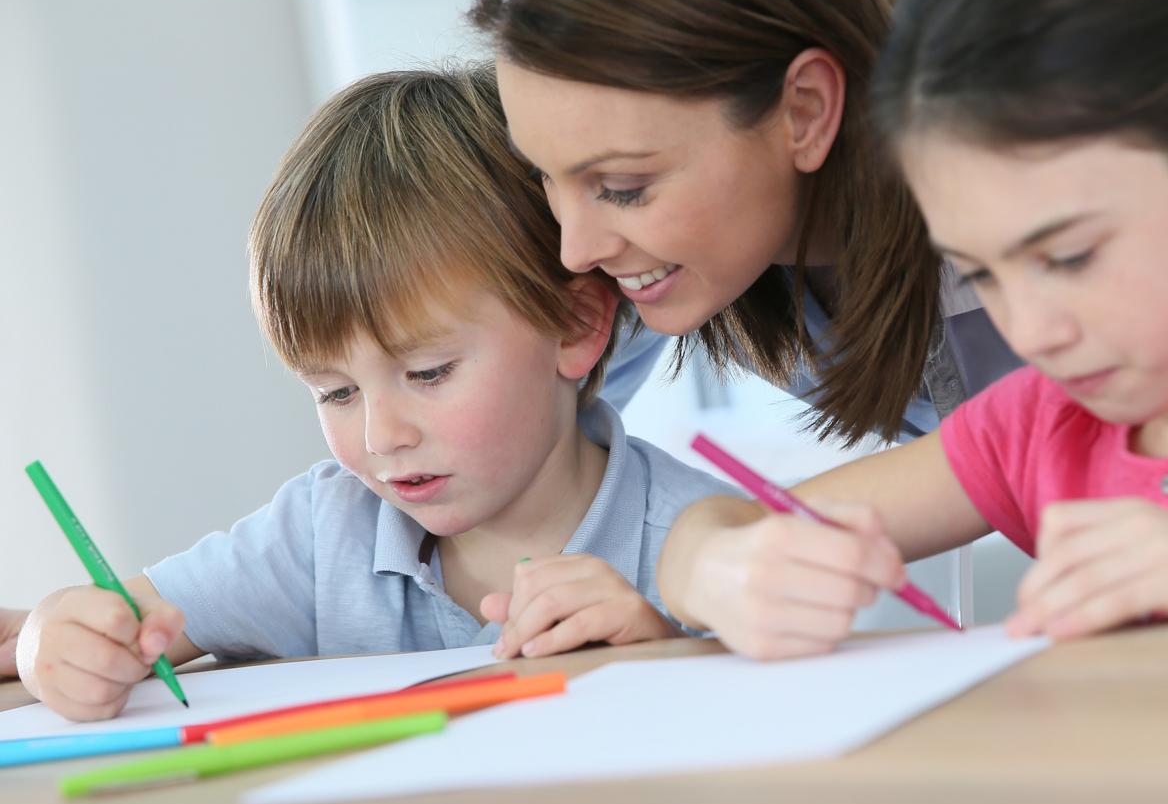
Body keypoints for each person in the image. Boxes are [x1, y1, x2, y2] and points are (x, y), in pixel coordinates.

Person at [16, 66, 733, 720]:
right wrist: (54, 641)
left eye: (428, 374)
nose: (380, 436)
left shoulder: (701, 538)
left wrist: (659, 652)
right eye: (334, 392)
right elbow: (114, 618)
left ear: (575, 325)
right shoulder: (319, 533)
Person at [656, 0, 1168, 659]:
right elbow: (720, 528)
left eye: (1069, 257)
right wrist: (712, 571)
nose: (1032, 333)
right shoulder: (1037, 425)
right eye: (981, 274)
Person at [469, 0, 1021, 446]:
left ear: (804, 110)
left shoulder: (1026, 172)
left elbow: (1035, 446)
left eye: (624, 185)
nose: (578, 250)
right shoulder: (668, 252)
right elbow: (526, 443)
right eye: (544, 173)